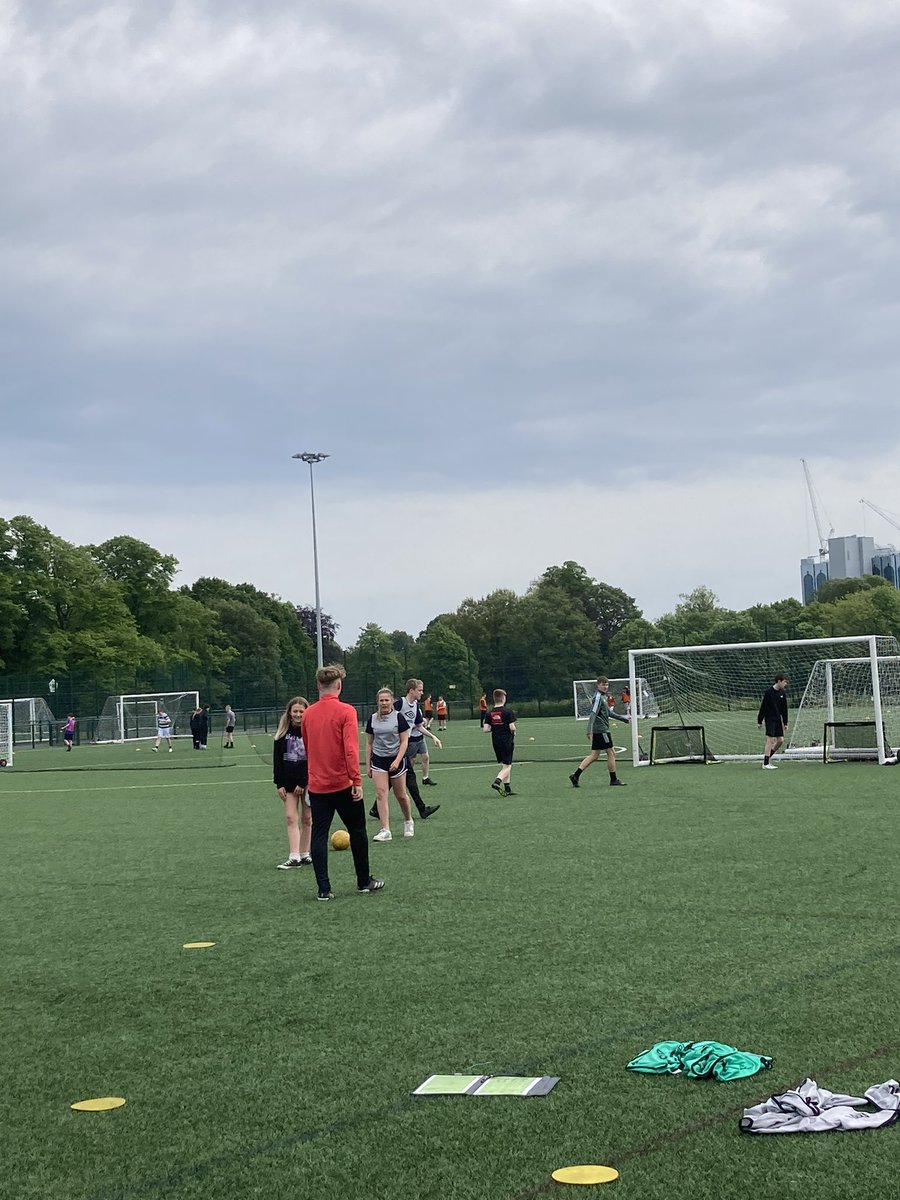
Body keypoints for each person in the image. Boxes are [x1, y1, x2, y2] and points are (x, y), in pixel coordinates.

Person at [301, 664, 384, 900]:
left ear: (318, 685)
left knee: (318, 835)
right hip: (342, 783)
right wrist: (356, 779)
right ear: (339, 685)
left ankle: (324, 889)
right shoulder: (347, 711)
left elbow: (308, 748)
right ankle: (363, 881)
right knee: (357, 830)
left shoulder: (308, 714)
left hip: (318, 785)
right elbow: (349, 749)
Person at [371, 679, 441, 819]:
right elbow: (385, 716)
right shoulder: (400, 703)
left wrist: (433, 737)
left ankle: (376, 809)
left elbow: (419, 726)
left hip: (404, 745)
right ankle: (421, 810)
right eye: (419, 690)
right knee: (407, 778)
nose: (421, 693)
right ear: (411, 690)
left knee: (402, 777)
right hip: (396, 747)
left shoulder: (415, 706)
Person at [365, 688, 414, 842]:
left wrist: (398, 760)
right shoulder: (372, 719)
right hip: (379, 760)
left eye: (387, 700)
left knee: (400, 795)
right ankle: (385, 829)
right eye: (381, 700)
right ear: (377, 702)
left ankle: (408, 820)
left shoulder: (399, 718)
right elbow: (369, 744)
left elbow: (405, 741)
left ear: (392, 701)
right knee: (381, 793)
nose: (384, 703)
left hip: (396, 758)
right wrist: (368, 765)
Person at [273, 696, 312, 868]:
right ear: (289, 713)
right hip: (288, 783)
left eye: (301, 711)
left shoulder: (310, 731)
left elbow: (314, 759)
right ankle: (294, 855)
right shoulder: (282, 734)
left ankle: (305, 853)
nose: (298, 714)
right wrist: (279, 784)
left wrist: (303, 783)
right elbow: (277, 761)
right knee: (290, 817)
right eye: (295, 711)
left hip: (307, 782)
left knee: (307, 818)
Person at [569, 676, 630, 788]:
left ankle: (576, 775)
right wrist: (589, 730)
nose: (605, 686)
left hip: (601, 730)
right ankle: (613, 779)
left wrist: (623, 719)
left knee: (594, 755)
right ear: (598, 685)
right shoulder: (597, 698)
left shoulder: (603, 697)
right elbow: (593, 714)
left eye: (606, 684)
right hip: (602, 730)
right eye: (603, 684)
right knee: (611, 753)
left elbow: (609, 714)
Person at [484, 688, 516, 795]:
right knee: (508, 766)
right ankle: (497, 781)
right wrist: (513, 731)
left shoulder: (489, 713)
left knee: (505, 764)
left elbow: (486, 729)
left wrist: (496, 727)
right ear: (503, 698)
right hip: (506, 741)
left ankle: (507, 788)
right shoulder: (508, 712)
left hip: (496, 741)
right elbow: (512, 727)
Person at [758, 673, 789, 769]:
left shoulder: (782, 693)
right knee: (770, 740)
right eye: (784, 682)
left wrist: (785, 723)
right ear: (779, 681)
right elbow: (763, 707)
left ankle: (767, 757)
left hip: (778, 719)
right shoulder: (769, 692)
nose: (785, 684)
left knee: (780, 740)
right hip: (770, 719)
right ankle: (765, 764)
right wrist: (759, 721)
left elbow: (784, 709)